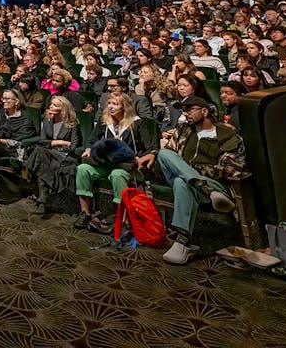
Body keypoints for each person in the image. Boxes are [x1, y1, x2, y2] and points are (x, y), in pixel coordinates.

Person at [151, 96, 248, 265]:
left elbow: (232, 168)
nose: (185, 114)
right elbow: (170, 156)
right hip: (205, 190)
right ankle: (198, 184)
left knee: (183, 182)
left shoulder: (227, 134)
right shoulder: (183, 130)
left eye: (189, 110)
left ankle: (182, 242)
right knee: (164, 154)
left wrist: (194, 170)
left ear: (204, 111)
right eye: (183, 110)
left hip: (215, 186)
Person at [73, 92, 158, 233]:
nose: (111, 107)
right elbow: (91, 140)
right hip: (105, 164)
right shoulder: (104, 122)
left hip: (126, 168)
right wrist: (88, 148)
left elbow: (150, 148)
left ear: (125, 107)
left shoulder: (136, 123)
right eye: (110, 103)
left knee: (118, 175)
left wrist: (142, 157)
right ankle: (85, 213)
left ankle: (122, 218)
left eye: (115, 104)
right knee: (83, 169)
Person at [25, 96, 81, 215]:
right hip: (47, 153)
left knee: (39, 154)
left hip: (63, 155)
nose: (51, 106)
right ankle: (42, 200)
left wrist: (55, 146)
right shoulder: (47, 121)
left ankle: (41, 198)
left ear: (64, 108)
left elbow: (74, 146)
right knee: (40, 152)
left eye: (55, 105)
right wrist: (58, 142)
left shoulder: (72, 123)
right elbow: (42, 141)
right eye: (51, 104)